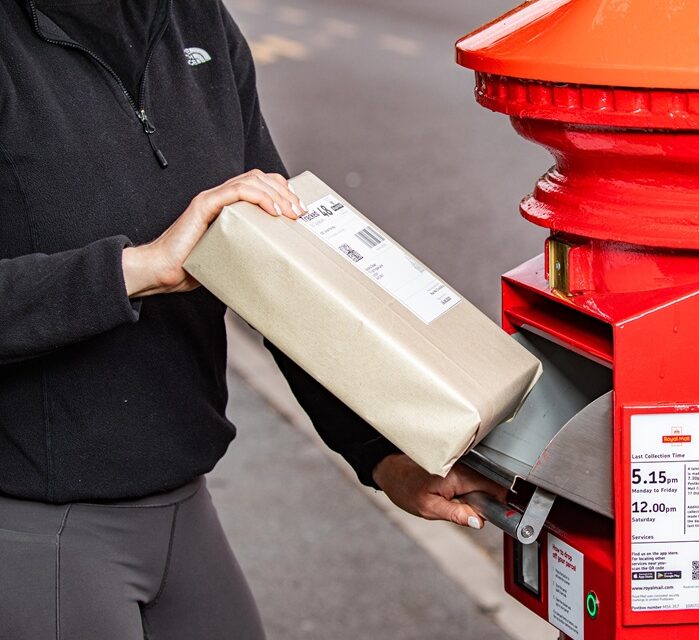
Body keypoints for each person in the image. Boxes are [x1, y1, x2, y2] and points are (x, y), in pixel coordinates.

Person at [0, 0, 500, 637]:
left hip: (185, 504)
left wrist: (381, 455)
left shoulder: (193, 20)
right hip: (42, 525)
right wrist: (135, 269)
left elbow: (284, 271)